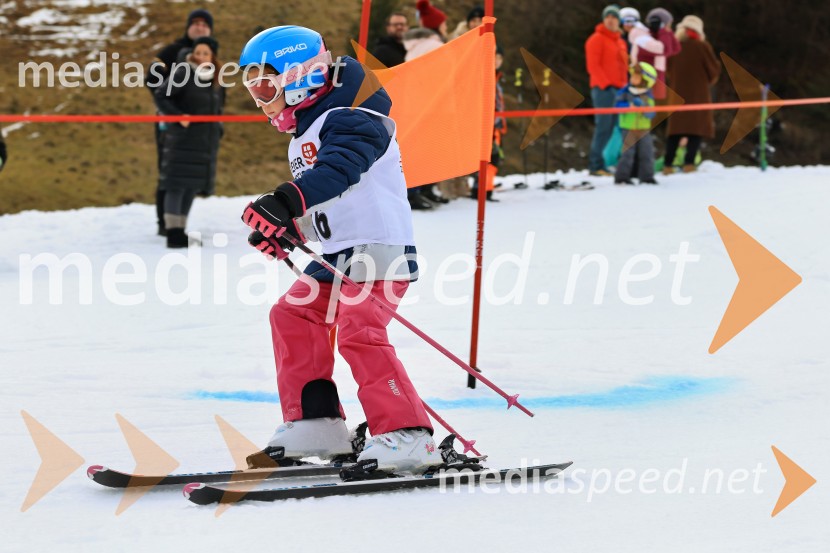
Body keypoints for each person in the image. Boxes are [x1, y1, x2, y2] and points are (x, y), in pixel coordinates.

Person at [238, 26, 438, 474]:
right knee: (292, 314)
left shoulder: (354, 118)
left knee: (358, 331)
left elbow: (339, 172)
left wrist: (285, 200)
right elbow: (327, 204)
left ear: (299, 77)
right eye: (254, 92)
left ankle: (406, 434)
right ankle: (318, 422)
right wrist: (288, 229)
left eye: (266, 88)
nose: (261, 101)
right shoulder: (304, 133)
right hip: (338, 256)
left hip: (378, 251)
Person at [146, 8, 214, 237]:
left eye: (204, 24)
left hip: (200, 128)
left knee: (189, 172)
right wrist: (173, 103)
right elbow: (152, 78)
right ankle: (165, 224)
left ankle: (177, 223)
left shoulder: (209, 55)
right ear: (188, 27)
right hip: (171, 122)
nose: (200, 27)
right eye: (195, 23)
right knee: (170, 172)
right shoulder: (172, 51)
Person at [153, 36, 225, 248]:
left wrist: (218, 129)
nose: (201, 57)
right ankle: (173, 234)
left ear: (212, 56)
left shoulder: (215, 78)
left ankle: (180, 231)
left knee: (191, 186)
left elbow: (216, 109)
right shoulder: (183, 72)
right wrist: (178, 116)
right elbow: (161, 95)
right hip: (182, 139)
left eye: (206, 53)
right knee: (176, 185)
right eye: (198, 52)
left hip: (203, 142)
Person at [402, 0, 450, 207]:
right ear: (436, 26)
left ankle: (421, 190)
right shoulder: (435, 46)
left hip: (417, 102)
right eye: (444, 24)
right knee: (428, 148)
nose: (446, 27)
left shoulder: (417, 46)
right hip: (431, 103)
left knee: (421, 147)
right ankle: (417, 191)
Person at [664, 15, 720, 174]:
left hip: (677, 96)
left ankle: (668, 165)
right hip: (698, 95)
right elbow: (713, 72)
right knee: (696, 130)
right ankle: (689, 164)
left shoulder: (674, 47)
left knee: (675, 131)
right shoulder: (702, 46)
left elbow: (667, 70)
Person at [585, 4, 629, 177]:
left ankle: (610, 162)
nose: (610, 20)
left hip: (620, 90)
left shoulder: (620, 42)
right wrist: (606, 86)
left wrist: (625, 88)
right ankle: (595, 165)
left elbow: (624, 67)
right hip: (603, 90)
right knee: (603, 127)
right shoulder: (596, 39)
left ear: (619, 21)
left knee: (616, 128)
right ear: (604, 19)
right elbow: (593, 66)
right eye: (608, 17)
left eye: (614, 17)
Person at [470, 45, 506, 202]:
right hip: (486, 125)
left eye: (499, 58)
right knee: (490, 158)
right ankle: (483, 191)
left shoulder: (497, 77)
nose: (497, 61)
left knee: (493, 158)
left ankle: (482, 189)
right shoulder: (485, 76)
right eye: (494, 57)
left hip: (495, 125)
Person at [614, 62, 658, 185]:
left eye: (637, 76)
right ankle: (622, 177)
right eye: (633, 75)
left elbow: (652, 113)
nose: (633, 78)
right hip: (628, 128)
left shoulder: (648, 95)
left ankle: (647, 177)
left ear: (645, 80)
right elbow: (617, 106)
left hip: (644, 129)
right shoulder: (625, 92)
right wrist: (629, 106)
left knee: (647, 153)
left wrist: (644, 109)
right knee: (627, 154)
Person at [637, 7, 681, 101]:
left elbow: (676, 48)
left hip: (658, 79)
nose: (669, 28)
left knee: (658, 106)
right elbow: (665, 49)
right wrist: (664, 31)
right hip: (646, 80)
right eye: (667, 25)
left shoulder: (660, 36)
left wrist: (668, 32)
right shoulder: (645, 39)